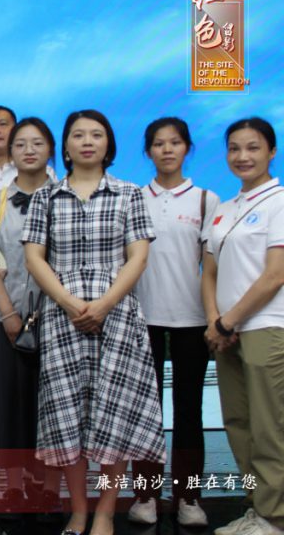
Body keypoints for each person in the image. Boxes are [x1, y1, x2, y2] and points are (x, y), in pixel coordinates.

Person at [23, 109, 164, 535]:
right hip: (61, 317)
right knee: (67, 416)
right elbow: (34, 258)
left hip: (116, 315)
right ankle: (79, 510)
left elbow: (138, 256)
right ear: (65, 146)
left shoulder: (129, 194)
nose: (87, 142)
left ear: (108, 144)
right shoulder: (45, 197)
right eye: (78, 135)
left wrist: (104, 304)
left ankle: (105, 511)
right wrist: (69, 302)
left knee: (113, 414)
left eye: (96, 135)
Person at [128, 118, 219, 528]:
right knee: (145, 414)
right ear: (148, 151)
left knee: (189, 412)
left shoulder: (205, 200)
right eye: (159, 144)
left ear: (187, 148)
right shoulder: (133, 198)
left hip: (191, 319)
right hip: (142, 318)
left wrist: (214, 318)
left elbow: (211, 267)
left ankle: (188, 497)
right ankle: (145, 496)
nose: (167, 150)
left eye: (175, 142)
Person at [0, 118, 62, 514]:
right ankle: (12, 486)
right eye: (21, 144)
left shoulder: (67, 197)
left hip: (58, 317)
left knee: (53, 402)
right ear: (10, 153)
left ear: (51, 150)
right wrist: (8, 313)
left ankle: (49, 485)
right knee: (8, 402)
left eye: (37, 143)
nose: (29, 150)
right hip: (5, 316)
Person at [203, 118, 284, 535]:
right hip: (226, 332)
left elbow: (275, 275)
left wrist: (228, 320)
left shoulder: (279, 201)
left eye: (253, 147)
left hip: (266, 326)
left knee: (270, 428)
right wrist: (214, 321)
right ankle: (258, 510)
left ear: (272, 152)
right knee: (239, 424)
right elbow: (209, 272)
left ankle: (277, 517)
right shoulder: (224, 209)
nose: (242, 156)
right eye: (234, 148)